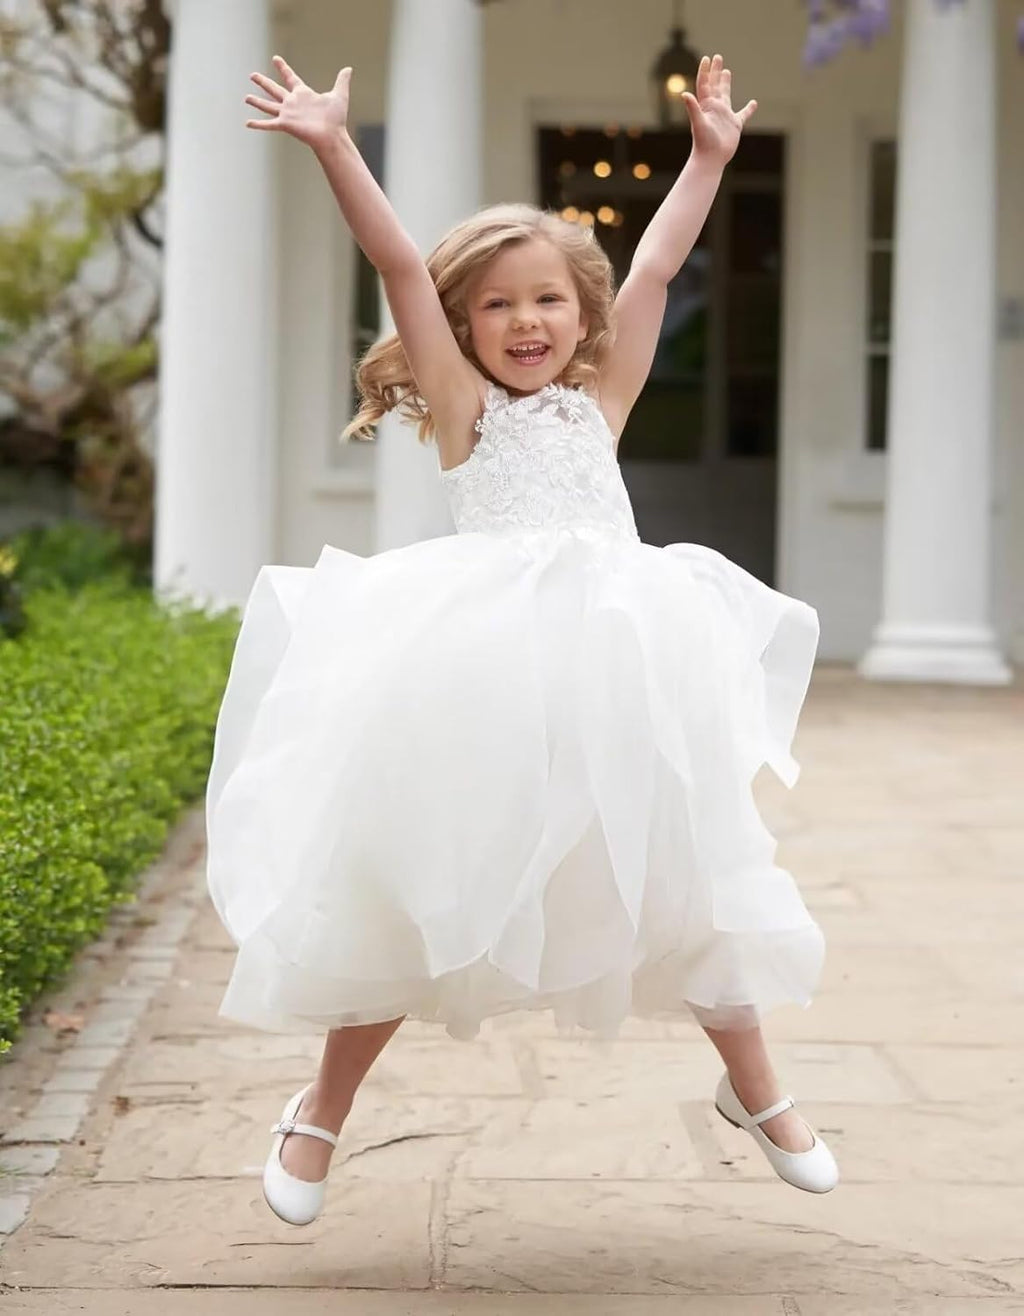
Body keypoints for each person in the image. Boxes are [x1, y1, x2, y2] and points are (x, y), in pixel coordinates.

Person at [206, 50, 839, 1228]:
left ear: (580, 312)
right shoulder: (464, 412)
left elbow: (653, 265)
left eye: (545, 297)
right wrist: (337, 144)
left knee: (690, 877)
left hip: (620, 683)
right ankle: (321, 1108)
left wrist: (706, 159)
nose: (524, 320)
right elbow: (398, 258)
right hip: (482, 687)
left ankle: (756, 1092)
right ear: (461, 326)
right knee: (419, 890)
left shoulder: (600, 400)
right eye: (493, 304)